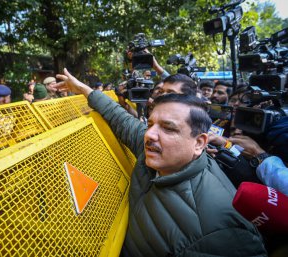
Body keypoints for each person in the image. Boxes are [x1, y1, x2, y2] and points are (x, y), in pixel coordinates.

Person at [55, 69, 266, 257]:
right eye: (150, 124)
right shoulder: (160, 152)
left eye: (169, 128)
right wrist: (84, 90)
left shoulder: (218, 232)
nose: (150, 135)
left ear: (199, 143)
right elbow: (121, 119)